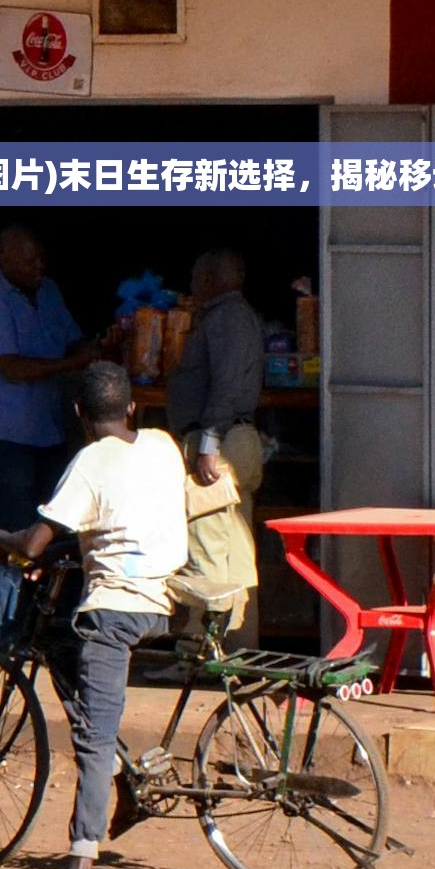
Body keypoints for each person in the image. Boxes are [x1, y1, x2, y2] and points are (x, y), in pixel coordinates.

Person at [0, 359, 187, 869]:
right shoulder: (164, 445)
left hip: (114, 611)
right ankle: (124, 784)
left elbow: (33, 544)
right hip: (162, 604)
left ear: (78, 414)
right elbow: (132, 517)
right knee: (78, 677)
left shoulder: (89, 462)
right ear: (132, 408)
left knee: (92, 744)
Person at [0, 227, 99, 644]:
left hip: (49, 435)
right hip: (4, 440)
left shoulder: (49, 291)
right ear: (4, 258)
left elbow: (73, 339)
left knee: (53, 539)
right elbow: (13, 369)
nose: (39, 266)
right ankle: (7, 634)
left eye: (42, 259)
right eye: (30, 260)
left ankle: (44, 629)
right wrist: (73, 364)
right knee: (11, 541)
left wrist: (100, 346)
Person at [164, 246, 266, 628]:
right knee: (234, 551)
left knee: (207, 547)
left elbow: (224, 387)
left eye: (194, 277)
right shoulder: (237, 318)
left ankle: (200, 652)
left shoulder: (226, 319)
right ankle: (235, 649)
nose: (191, 285)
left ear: (207, 279)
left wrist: (207, 445)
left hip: (219, 443)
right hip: (233, 438)